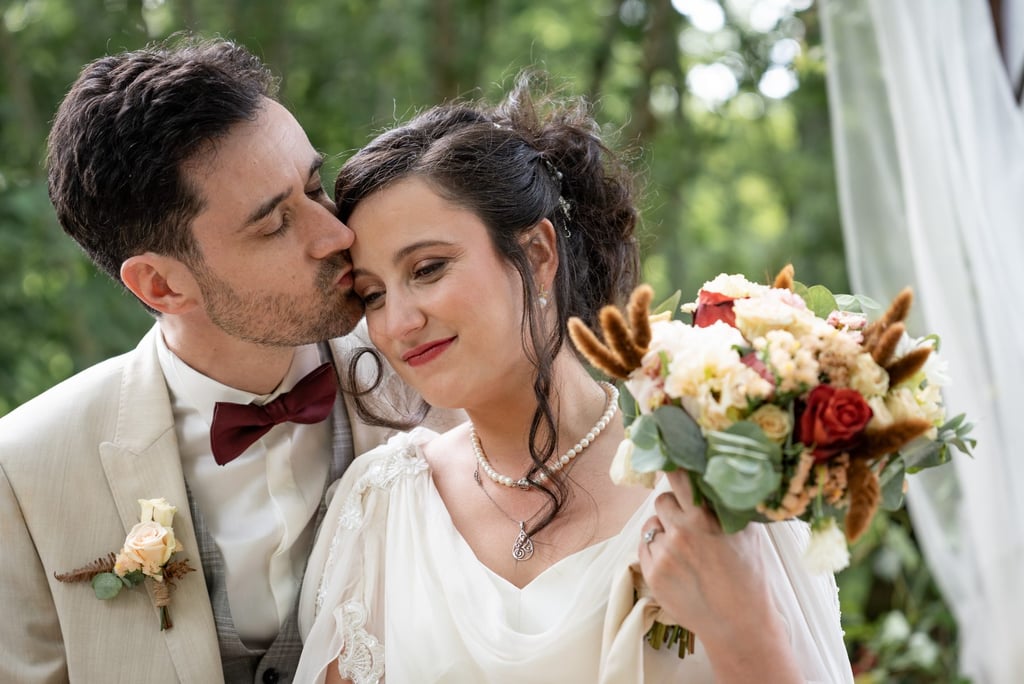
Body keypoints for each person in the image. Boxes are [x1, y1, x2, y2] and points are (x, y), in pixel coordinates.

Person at [295, 75, 854, 683]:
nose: (398, 322)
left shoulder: (715, 485)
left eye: (428, 268)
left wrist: (737, 622)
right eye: (373, 295)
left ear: (538, 254)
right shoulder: (381, 507)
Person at [0, 36, 460, 683]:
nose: (336, 233)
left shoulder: (439, 380)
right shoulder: (24, 471)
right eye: (274, 225)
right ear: (161, 285)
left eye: (315, 187)